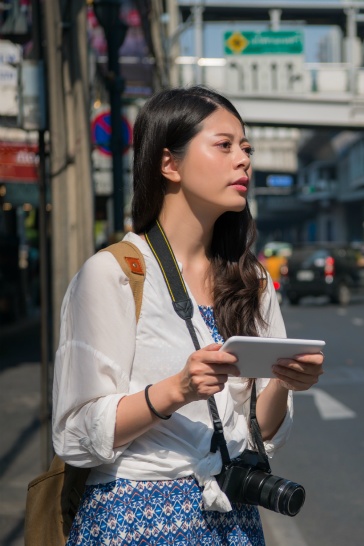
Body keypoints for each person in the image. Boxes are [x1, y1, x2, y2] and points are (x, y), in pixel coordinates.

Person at [52, 86, 324, 545]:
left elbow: (262, 433)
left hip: (233, 519)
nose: (243, 160)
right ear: (169, 163)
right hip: (134, 518)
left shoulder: (251, 280)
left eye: (246, 148)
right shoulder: (114, 273)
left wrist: (283, 380)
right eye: (224, 145)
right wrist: (176, 390)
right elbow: (74, 433)